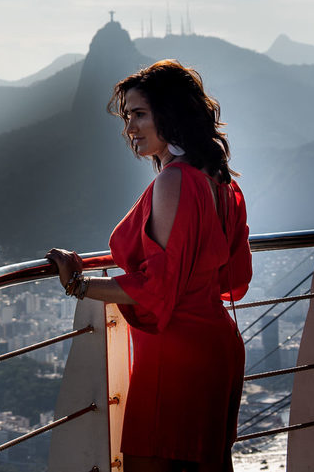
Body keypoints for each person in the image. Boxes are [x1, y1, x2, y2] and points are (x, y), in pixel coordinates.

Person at [46, 59, 252, 472]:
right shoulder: (221, 180)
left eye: (139, 114)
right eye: (127, 117)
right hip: (217, 346)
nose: (130, 128)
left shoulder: (174, 181)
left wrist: (79, 284)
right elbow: (234, 276)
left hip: (176, 357)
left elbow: (156, 290)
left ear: (170, 114)